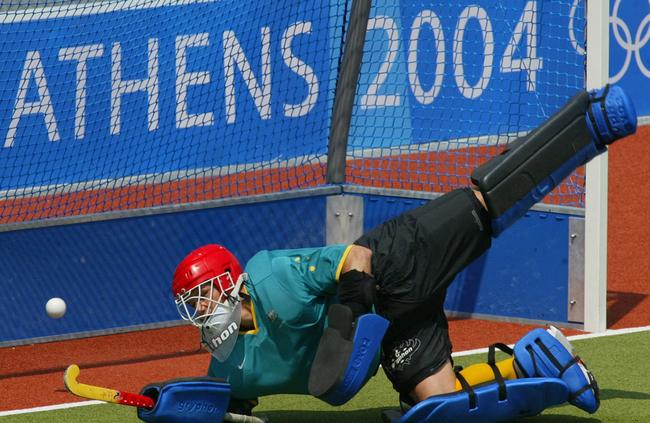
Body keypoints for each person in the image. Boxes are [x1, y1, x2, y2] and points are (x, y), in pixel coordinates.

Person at [169, 85, 636, 421]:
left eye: (203, 296)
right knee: (438, 408)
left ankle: (590, 123)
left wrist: (352, 308)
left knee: (487, 202)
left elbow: (356, 258)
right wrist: (172, 407)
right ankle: (535, 361)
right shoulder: (231, 365)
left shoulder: (272, 277)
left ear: (230, 283)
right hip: (392, 327)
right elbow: (214, 399)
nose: (200, 311)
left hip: (395, 262)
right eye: (192, 305)